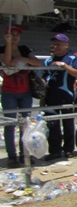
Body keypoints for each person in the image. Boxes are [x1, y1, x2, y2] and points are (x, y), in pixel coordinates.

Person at [0, 25, 43, 167]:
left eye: (17, 35)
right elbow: (7, 62)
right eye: (11, 34)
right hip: (9, 92)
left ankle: (25, 154)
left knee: (26, 124)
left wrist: (21, 58)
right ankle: (12, 156)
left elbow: (37, 63)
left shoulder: (24, 49)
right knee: (10, 124)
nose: (14, 37)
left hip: (25, 92)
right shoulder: (2, 49)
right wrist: (8, 44)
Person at [42, 34, 77, 161]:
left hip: (66, 96)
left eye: (59, 44)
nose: (56, 46)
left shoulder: (72, 59)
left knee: (68, 124)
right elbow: (44, 78)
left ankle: (69, 150)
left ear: (66, 45)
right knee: (52, 125)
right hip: (50, 97)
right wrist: (42, 98)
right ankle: (55, 151)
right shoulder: (48, 61)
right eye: (54, 44)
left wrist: (64, 66)